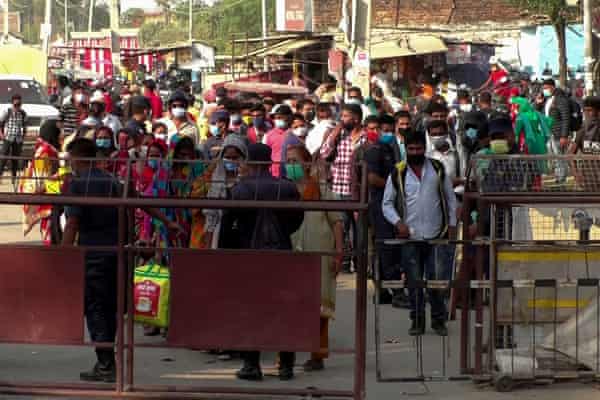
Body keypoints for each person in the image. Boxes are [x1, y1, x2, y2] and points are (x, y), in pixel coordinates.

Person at [227, 143, 304, 381]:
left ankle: (252, 364)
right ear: (270, 162)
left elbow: (229, 223)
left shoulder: (240, 189)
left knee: (251, 309)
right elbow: (297, 220)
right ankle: (286, 365)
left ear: (248, 162)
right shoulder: (287, 188)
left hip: (250, 253)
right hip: (281, 251)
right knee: (284, 308)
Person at [382, 130, 457, 336]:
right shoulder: (398, 172)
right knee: (414, 282)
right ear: (406, 149)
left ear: (424, 148)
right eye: (411, 148)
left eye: (419, 148)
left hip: (436, 235)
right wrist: (398, 223)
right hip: (411, 237)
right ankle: (417, 321)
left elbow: (451, 199)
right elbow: (386, 204)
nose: (415, 152)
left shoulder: (437, 168)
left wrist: (451, 225)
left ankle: (438, 321)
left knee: (436, 282)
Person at [286, 144, 343, 371]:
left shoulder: (320, 188)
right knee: (291, 304)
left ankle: (317, 355)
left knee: (320, 307)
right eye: (287, 162)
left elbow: (337, 221)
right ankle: (287, 355)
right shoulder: (285, 190)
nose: (290, 166)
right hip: (293, 255)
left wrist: (338, 252)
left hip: (320, 253)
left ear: (307, 163)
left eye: (294, 161)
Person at [364, 119, 402, 305]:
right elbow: (372, 178)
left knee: (388, 249)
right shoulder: (374, 151)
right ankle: (394, 291)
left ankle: (386, 291)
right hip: (379, 205)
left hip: (390, 204)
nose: (387, 133)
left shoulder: (390, 149)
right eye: (383, 130)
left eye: (389, 130)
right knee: (386, 248)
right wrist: (396, 186)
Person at [202, 134, 248, 249]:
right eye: (227, 157)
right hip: (221, 234)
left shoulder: (248, 181)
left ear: (242, 158)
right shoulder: (216, 179)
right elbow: (210, 217)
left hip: (243, 234)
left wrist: (243, 179)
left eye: (235, 157)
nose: (231, 161)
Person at [19, 119, 61, 244]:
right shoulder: (45, 153)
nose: (61, 134)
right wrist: (62, 176)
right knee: (51, 237)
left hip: (52, 198)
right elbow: (40, 185)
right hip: (48, 200)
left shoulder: (50, 150)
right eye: (58, 130)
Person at [0, 94, 28, 184]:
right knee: (3, 157)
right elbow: (0, 124)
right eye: (16, 105)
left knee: (15, 159)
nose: (17, 107)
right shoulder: (7, 112)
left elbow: (25, 126)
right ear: (12, 104)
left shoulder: (23, 113)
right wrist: (1, 134)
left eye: (19, 105)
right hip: (8, 138)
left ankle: (14, 177)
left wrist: (23, 136)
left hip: (18, 139)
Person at [543, 79, 571, 155]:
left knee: (560, 160)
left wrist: (564, 136)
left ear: (552, 87)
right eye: (543, 88)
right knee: (553, 159)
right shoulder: (548, 99)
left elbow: (566, 118)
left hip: (558, 135)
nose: (544, 90)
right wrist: (538, 103)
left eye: (546, 88)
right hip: (549, 133)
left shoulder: (560, 99)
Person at [264, 104, 293, 177]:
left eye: (280, 117)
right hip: (274, 172)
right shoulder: (268, 135)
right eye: (276, 118)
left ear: (289, 118)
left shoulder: (294, 133)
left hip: (293, 170)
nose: (277, 120)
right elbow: (265, 154)